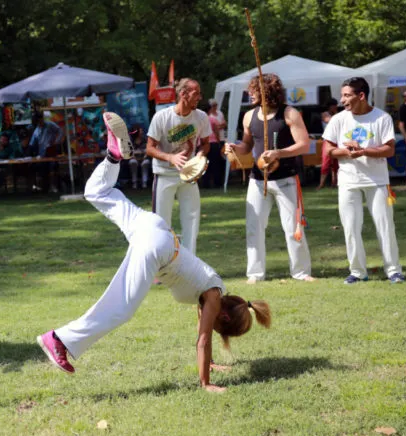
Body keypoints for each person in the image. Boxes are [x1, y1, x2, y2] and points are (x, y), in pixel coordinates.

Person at [36, 112, 271, 393]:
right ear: (224, 318)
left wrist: (208, 364)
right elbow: (203, 340)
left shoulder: (213, 290)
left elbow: (202, 334)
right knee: (121, 309)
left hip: (156, 229)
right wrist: (206, 384)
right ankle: (59, 340)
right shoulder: (211, 298)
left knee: (96, 192)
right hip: (157, 248)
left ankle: (113, 156)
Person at [225, 74, 316, 284]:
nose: (250, 94)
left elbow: (303, 144)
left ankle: (300, 272)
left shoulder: (290, 113)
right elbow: (247, 147)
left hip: (286, 179)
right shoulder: (249, 116)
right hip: (257, 180)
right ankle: (255, 274)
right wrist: (234, 147)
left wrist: (279, 153)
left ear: (266, 92)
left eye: (254, 90)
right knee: (254, 226)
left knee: (293, 226)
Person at [322, 77, 405, 284]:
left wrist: (363, 151)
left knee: (385, 226)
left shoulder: (381, 118)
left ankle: (393, 270)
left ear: (361, 96)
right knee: (350, 227)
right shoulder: (338, 119)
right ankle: (358, 272)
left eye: (347, 95)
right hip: (348, 181)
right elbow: (328, 150)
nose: (342, 100)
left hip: (377, 181)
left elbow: (389, 149)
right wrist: (347, 151)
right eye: (342, 95)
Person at [147, 78, 211, 256]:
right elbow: (149, 148)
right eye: (196, 93)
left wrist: (200, 154)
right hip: (164, 173)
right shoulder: (162, 117)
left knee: (192, 219)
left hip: (188, 174)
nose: (199, 97)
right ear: (183, 94)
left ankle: (190, 263)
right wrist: (170, 157)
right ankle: (161, 264)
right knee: (161, 222)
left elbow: (206, 143)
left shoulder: (201, 117)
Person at [29, 112, 63, 193]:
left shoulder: (50, 125)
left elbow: (60, 131)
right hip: (42, 154)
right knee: (41, 169)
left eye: (40, 121)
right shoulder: (36, 130)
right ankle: (43, 188)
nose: (40, 123)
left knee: (52, 167)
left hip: (51, 151)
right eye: (38, 122)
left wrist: (57, 141)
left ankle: (53, 186)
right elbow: (32, 143)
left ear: (42, 119)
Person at [317, 99, 340, 190]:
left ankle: (334, 182)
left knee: (336, 163)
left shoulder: (337, 115)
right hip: (327, 140)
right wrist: (336, 114)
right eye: (334, 105)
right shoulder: (325, 114)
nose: (335, 107)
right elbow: (329, 121)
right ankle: (321, 184)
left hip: (337, 140)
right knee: (326, 163)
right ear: (330, 106)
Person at [204, 99, 226, 189]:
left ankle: (206, 183)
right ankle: (218, 183)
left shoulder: (202, 119)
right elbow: (216, 132)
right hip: (213, 143)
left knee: (206, 164)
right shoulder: (213, 119)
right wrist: (218, 141)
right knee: (216, 163)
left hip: (204, 143)